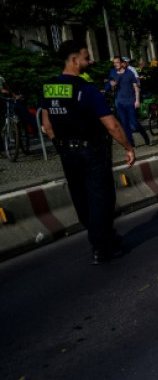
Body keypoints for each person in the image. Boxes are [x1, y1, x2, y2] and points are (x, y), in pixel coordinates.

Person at [40, 40, 136, 265]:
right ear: (74, 60)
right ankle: (101, 248)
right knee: (101, 198)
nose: (90, 61)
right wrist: (128, 147)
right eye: (86, 57)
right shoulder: (87, 90)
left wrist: (61, 145)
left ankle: (108, 238)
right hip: (91, 151)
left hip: (66, 152)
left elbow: (47, 125)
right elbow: (111, 125)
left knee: (81, 197)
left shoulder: (50, 87)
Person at [109, 56, 150, 147]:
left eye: (117, 62)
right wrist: (113, 85)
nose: (115, 64)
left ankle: (145, 136)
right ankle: (131, 143)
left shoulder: (129, 73)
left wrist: (137, 100)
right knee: (125, 123)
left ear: (122, 63)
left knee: (134, 122)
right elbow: (112, 87)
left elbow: (136, 87)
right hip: (120, 102)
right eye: (114, 63)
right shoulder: (114, 74)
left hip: (130, 101)